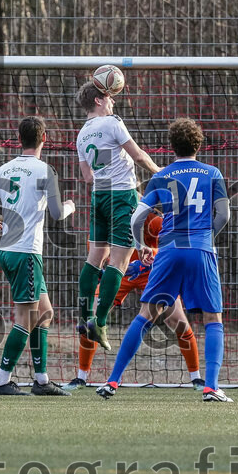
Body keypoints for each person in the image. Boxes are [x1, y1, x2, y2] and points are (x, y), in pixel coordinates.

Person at [95, 117, 233, 402]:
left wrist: (141, 244)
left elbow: (137, 216)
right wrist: (208, 237)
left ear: (172, 146)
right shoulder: (212, 172)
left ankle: (112, 381)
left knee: (146, 315)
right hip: (200, 249)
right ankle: (210, 387)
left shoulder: (162, 175)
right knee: (212, 318)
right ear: (199, 144)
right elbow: (225, 214)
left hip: (169, 251)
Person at [0, 117, 75, 396]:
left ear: (19, 138)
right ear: (44, 137)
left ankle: (42, 380)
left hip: (8, 251)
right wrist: (70, 205)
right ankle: (1, 380)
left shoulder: (6, 168)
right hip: (25, 252)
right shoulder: (45, 170)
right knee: (25, 317)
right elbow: (57, 214)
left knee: (44, 313)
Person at [64, 208, 203, 391]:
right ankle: (81, 378)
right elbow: (100, 247)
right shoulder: (112, 214)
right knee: (93, 317)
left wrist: (147, 260)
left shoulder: (154, 221)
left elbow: (174, 248)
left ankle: (197, 378)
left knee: (177, 320)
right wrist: (101, 265)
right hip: (122, 272)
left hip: (153, 273)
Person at [75, 81, 160, 351]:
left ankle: (84, 316)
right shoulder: (112, 123)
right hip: (122, 196)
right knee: (119, 262)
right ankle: (99, 322)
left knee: (95, 258)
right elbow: (138, 155)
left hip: (99, 196)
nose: (113, 101)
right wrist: (161, 172)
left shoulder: (81, 135)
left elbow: (87, 177)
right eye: (109, 97)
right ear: (98, 100)